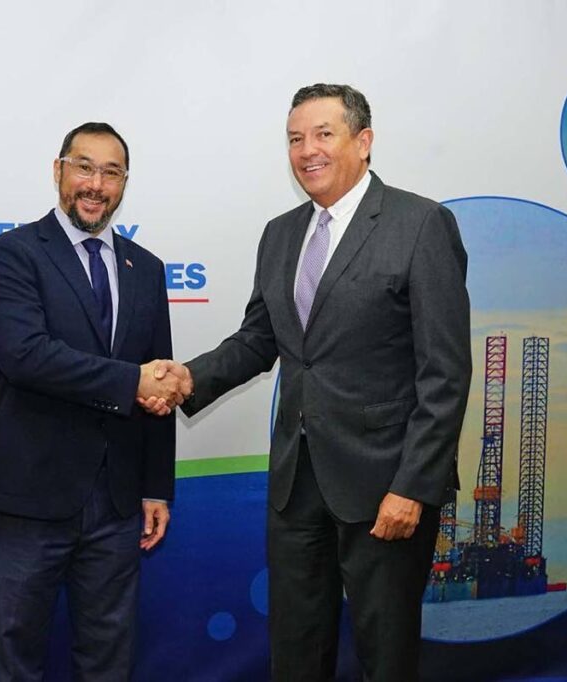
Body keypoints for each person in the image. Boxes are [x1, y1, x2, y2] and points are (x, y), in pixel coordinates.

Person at [144, 84, 472, 680]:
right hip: (297, 484)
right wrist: (188, 377)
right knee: (295, 650)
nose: (307, 151)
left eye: (324, 134)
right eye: (295, 138)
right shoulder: (280, 233)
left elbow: (445, 373)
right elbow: (258, 339)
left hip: (384, 486)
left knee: (386, 654)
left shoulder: (421, 224)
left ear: (364, 141)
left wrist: (413, 487)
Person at [0, 121, 184, 681]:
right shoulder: (12, 254)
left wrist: (156, 485)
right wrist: (132, 382)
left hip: (117, 505)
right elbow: (25, 356)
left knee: (108, 656)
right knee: (15, 654)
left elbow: (157, 378)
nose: (95, 184)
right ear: (58, 171)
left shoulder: (147, 268)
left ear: (124, 184)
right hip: (29, 497)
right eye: (84, 167)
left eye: (110, 172)